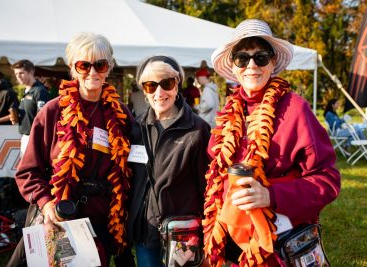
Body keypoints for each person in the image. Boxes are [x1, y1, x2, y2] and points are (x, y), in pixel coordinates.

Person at [203, 19, 341, 266]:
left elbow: (327, 180)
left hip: (277, 248)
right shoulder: (227, 114)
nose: (251, 66)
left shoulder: (295, 109)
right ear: (234, 67)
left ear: (273, 62)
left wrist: (271, 195)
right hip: (231, 244)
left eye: (261, 57)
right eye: (242, 58)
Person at [10, 32, 134, 267]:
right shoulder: (52, 111)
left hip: (103, 220)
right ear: (72, 68)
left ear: (109, 67)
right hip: (60, 216)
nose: (93, 72)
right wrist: (46, 204)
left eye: (100, 64)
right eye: (84, 65)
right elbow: (28, 171)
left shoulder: (122, 114)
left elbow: (133, 168)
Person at [127, 55, 210, 267]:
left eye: (166, 83)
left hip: (182, 234)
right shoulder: (136, 127)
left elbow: (207, 187)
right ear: (144, 90)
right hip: (146, 231)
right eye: (150, 85)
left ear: (177, 85)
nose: (159, 92)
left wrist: (208, 232)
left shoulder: (197, 129)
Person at [11, 59, 51, 154]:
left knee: (31, 167)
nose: (18, 77)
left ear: (31, 72)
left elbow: (42, 118)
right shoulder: (26, 90)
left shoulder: (39, 91)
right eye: (16, 74)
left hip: (35, 138)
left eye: (21, 73)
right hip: (26, 136)